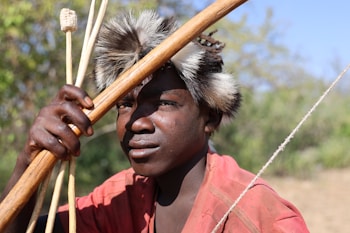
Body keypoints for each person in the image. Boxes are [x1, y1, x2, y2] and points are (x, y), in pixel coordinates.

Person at [1, 11, 310, 233]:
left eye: (164, 103)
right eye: (125, 104)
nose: (137, 123)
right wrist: (30, 163)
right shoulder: (121, 196)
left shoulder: (259, 215)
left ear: (210, 117)